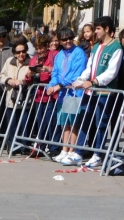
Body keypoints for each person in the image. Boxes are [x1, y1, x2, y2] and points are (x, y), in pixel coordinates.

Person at [61, 16, 123, 168]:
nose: (95, 32)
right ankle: (78, 152)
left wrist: (94, 82)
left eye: (98, 29)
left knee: (101, 123)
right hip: (91, 92)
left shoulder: (116, 47)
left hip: (104, 92)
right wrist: (81, 79)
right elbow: (89, 67)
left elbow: (111, 72)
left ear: (107, 29)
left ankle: (98, 154)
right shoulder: (96, 46)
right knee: (84, 119)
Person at [46, 27, 88, 161]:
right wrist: (51, 85)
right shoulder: (59, 55)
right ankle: (64, 149)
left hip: (74, 92)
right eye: (64, 39)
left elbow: (77, 74)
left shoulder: (79, 53)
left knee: (73, 122)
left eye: (70, 38)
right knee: (64, 122)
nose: (68, 41)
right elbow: (55, 74)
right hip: (63, 94)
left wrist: (60, 85)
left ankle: (71, 150)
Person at [25, 33, 58, 153]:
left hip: (51, 95)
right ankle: (40, 146)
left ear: (47, 46)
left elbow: (59, 71)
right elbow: (28, 80)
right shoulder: (34, 59)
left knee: (51, 122)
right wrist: (29, 75)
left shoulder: (54, 55)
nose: (39, 50)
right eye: (37, 48)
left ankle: (54, 148)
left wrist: (48, 69)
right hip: (39, 95)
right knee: (41, 122)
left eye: (41, 48)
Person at [0, 38, 31, 149]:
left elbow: (33, 78)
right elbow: (2, 75)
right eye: (18, 52)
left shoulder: (30, 62)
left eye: (23, 51)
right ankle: (12, 145)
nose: (21, 54)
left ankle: (24, 147)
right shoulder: (9, 61)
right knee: (12, 124)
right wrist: (9, 80)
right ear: (14, 53)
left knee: (24, 124)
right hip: (11, 99)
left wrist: (22, 82)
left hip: (24, 99)